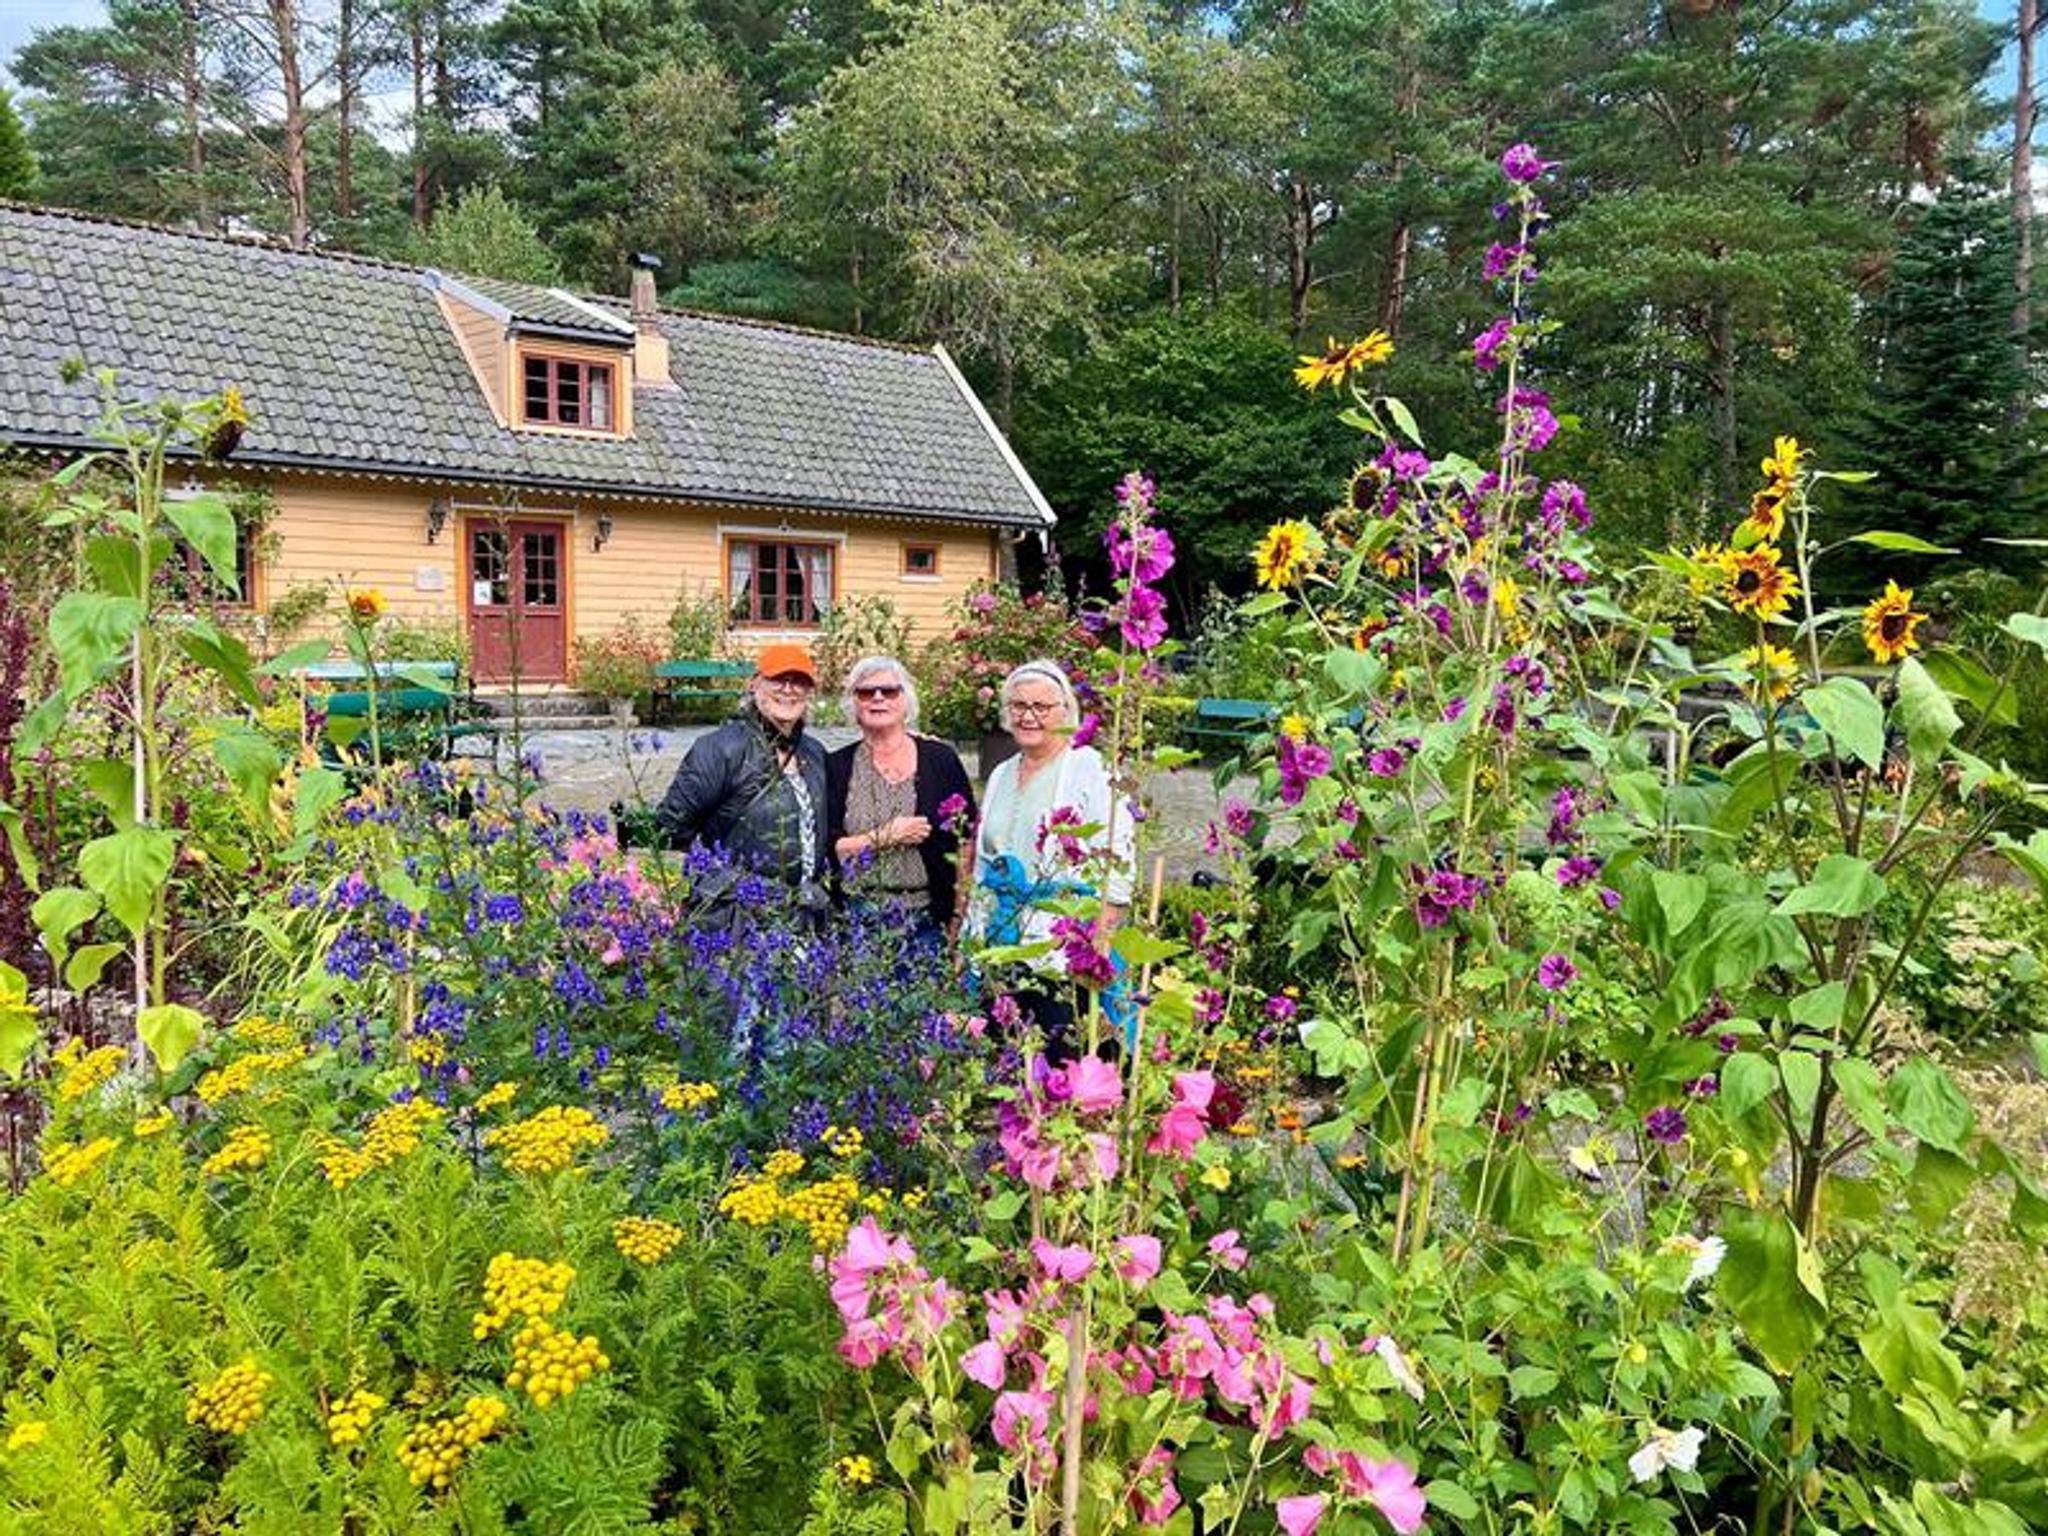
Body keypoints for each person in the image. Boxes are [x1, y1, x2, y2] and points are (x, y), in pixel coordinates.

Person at [964, 658, 1136, 1054]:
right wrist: (973, 935)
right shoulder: (1002, 773)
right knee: (1007, 1048)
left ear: (1066, 712)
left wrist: (1102, 936)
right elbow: (985, 864)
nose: (1029, 716)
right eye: (1019, 706)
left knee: (1063, 1046)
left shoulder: (1090, 768)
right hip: (1004, 934)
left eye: (1041, 707)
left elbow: (1120, 853)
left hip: (1064, 935)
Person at [654, 643, 830, 926]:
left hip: (804, 919)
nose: (789, 689)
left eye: (799, 682)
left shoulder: (815, 753)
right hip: (735, 919)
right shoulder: (719, 749)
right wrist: (723, 880)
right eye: (778, 679)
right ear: (754, 685)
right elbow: (670, 828)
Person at [824, 656, 977, 944]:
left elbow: (966, 839)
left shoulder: (940, 758)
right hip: (858, 919)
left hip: (928, 919)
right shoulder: (837, 766)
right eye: (866, 692)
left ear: (906, 700)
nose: (878, 698)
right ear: (854, 704)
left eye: (889, 691)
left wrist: (960, 914)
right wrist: (886, 836)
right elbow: (830, 849)